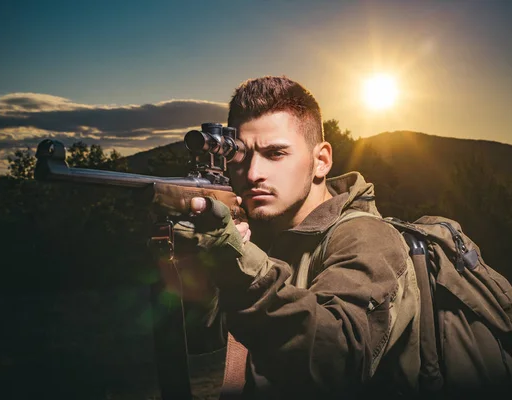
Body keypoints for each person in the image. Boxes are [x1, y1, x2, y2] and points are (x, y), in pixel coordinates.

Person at [174, 76, 421, 399]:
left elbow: (337, 362)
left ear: (321, 161)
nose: (251, 174)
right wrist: (194, 263)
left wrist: (237, 261)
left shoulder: (367, 236)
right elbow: (203, 339)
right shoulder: (259, 233)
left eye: (275, 153)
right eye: (238, 155)